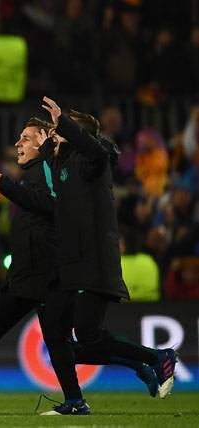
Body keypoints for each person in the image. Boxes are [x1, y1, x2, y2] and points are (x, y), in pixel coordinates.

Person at [0, 119, 159, 414]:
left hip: (44, 270)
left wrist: (6, 186)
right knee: (62, 344)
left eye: (26, 137)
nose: (18, 143)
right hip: (33, 268)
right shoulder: (37, 170)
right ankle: (110, 380)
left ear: (44, 140)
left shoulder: (49, 166)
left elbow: (51, 206)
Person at [33, 97, 176, 415]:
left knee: (86, 335)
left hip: (95, 261)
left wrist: (64, 124)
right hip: (74, 264)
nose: (55, 133)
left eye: (61, 130)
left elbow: (97, 149)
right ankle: (135, 367)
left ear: (77, 135)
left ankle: (156, 358)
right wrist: (44, 143)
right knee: (71, 341)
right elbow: (49, 169)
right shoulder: (66, 164)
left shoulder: (93, 162)